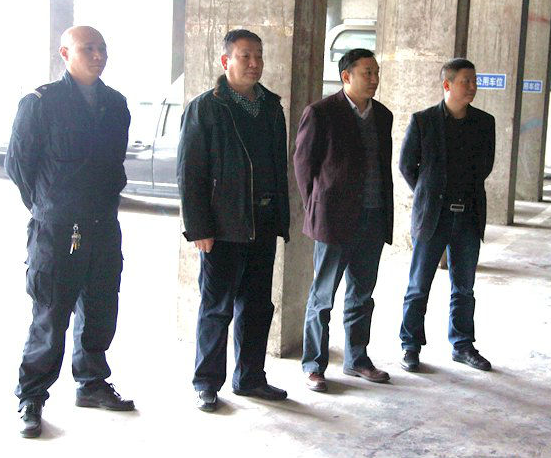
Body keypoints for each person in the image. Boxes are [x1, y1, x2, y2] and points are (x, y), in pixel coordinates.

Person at [6, 26, 135, 439]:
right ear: (65, 53)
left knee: (100, 309)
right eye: (87, 49)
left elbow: (114, 164)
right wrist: (49, 205)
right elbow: (18, 166)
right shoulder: (40, 103)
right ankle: (31, 397)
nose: (98, 55)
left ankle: (91, 383)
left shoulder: (115, 104)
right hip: (57, 231)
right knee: (50, 316)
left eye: (102, 48)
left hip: (103, 225)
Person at [177, 29, 290, 412]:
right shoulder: (206, 107)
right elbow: (190, 172)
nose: (254, 63)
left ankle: (250, 378)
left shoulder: (271, 106)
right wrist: (199, 227)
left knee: (258, 306)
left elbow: (278, 166)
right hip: (223, 226)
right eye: (245, 56)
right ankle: (207, 383)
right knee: (217, 308)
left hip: (263, 222)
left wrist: (281, 218)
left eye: (259, 55)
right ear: (226, 61)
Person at [294, 48, 394, 392]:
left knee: (362, 295)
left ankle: (357, 359)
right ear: (346, 76)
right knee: (323, 297)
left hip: (373, 218)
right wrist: (316, 207)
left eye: (376, 73)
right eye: (367, 73)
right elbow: (303, 166)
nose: (374, 79)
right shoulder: (321, 112)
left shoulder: (382, 115)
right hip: (333, 221)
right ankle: (314, 365)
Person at [397, 58, 495, 373]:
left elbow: (485, 166)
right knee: (418, 286)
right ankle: (410, 346)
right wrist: (428, 193)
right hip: (433, 217)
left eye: (474, 81)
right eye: (466, 81)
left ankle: (462, 345)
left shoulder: (485, 123)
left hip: (468, 218)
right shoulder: (423, 121)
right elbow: (406, 166)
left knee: (464, 287)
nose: (472, 87)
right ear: (447, 84)